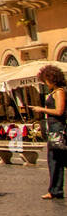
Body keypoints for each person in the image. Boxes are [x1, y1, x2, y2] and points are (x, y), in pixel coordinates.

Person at [26, 64, 67, 200]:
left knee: (55, 160)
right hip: (53, 130)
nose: (45, 83)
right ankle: (55, 190)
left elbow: (59, 111)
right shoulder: (54, 92)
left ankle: (55, 190)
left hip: (58, 130)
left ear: (51, 79)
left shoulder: (59, 92)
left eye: (45, 80)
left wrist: (41, 109)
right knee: (55, 161)